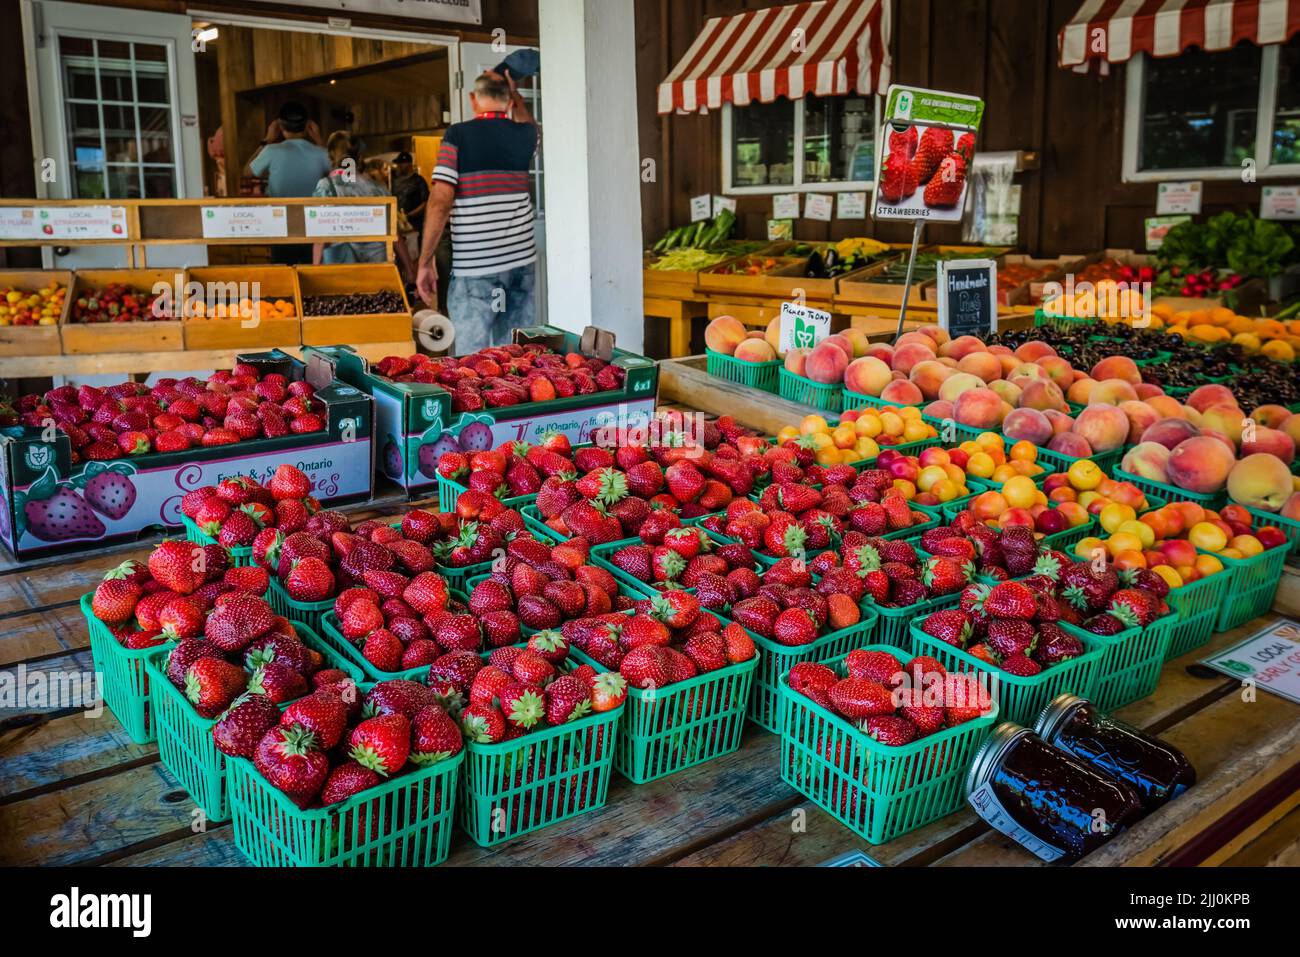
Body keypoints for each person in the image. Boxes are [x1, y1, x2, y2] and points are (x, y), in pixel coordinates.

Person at [417, 70, 539, 353]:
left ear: (473, 99)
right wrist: (515, 94)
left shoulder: (458, 135)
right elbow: (530, 125)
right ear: (509, 101)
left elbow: (440, 201)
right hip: (521, 262)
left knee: (473, 363)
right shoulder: (525, 134)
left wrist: (425, 261)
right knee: (516, 354)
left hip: (476, 266)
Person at [246, 102, 330, 265]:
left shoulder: (270, 151)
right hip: (313, 225)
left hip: (280, 224)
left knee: (282, 275)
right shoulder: (321, 153)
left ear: (278, 126)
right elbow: (347, 171)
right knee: (311, 274)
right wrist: (320, 141)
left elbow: (245, 172)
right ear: (308, 126)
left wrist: (266, 140)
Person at [310, 132, 389, 265]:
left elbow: (321, 234)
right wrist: (409, 270)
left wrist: (315, 267)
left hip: (343, 266)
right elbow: (393, 231)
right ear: (359, 157)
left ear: (330, 157)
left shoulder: (326, 186)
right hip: (377, 264)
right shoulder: (378, 188)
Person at [391, 151, 429, 241]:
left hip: (415, 224)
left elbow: (425, 202)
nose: (398, 166)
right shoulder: (395, 181)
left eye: (401, 163)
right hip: (398, 223)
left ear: (408, 164)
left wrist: (409, 215)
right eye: (398, 163)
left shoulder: (419, 180)